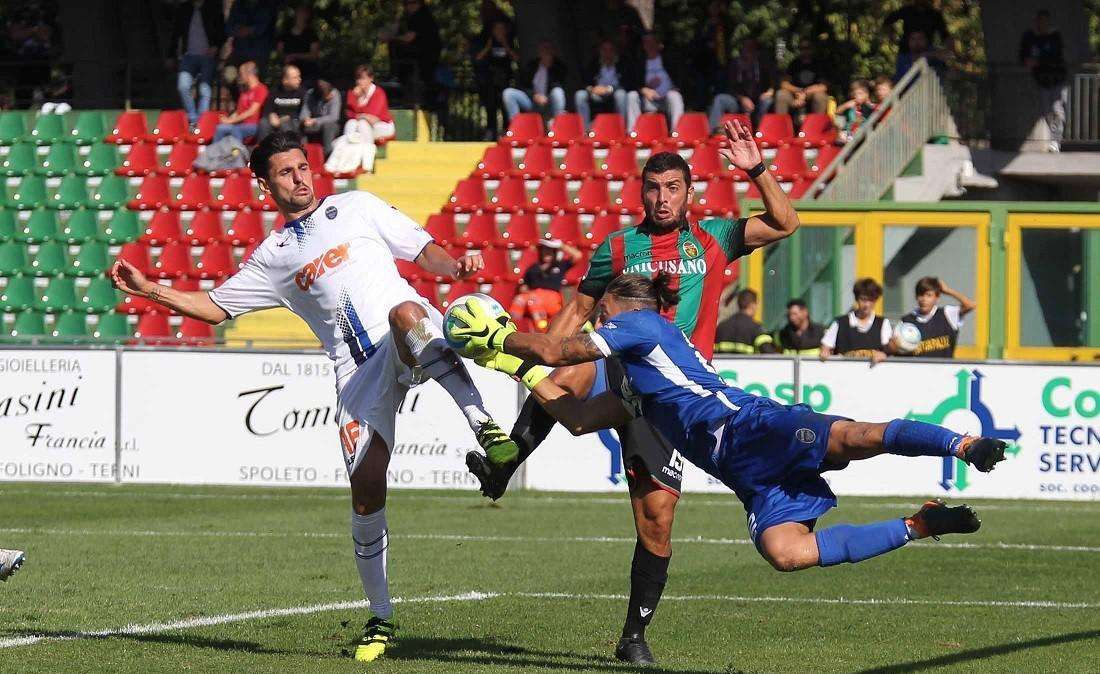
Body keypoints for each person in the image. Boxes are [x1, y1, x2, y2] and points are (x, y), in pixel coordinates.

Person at [109, 131, 520, 663]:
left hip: (410, 335)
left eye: (303, 167)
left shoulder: (356, 206)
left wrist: (453, 267)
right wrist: (150, 291)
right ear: (265, 184)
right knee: (366, 494)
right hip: (355, 375)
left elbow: (422, 249)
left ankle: (484, 425)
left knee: (405, 312)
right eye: (286, 172)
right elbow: (214, 307)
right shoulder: (273, 257)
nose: (300, 178)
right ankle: (381, 616)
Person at [465, 119, 801, 665]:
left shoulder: (714, 239)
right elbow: (577, 309)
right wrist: (540, 351)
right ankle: (506, 461)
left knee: (656, 520)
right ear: (640, 191)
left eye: (673, 188)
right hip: (616, 368)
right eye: (653, 187)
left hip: (672, 395)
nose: (662, 198)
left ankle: (633, 636)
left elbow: (786, 223)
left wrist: (757, 170)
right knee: (568, 372)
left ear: (689, 193)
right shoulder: (618, 246)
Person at [451, 273, 1003, 587]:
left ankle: (963, 444)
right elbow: (574, 419)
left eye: (604, 313)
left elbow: (556, 347)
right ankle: (920, 524)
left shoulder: (642, 324)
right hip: (745, 472)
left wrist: (498, 338)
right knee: (786, 553)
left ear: (626, 309)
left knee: (857, 439)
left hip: (752, 427)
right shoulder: (636, 386)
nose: (598, 321)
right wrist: (513, 368)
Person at [169, 0, 225, 126]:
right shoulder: (184, 8)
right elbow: (175, 33)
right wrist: (171, 54)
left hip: (207, 56)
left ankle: (203, 122)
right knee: (183, 86)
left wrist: (216, 46)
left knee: (205, 90)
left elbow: (222, 31)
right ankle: (193, 119)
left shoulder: (213, 7)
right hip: (188, 56)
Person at [509, 239, 584, 332]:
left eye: (550, 250)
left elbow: (578, 255)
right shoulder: (533, 268)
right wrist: (528, 292)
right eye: (545, 250)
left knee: (533, 302)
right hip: (532, 296)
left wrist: (560, 245)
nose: (547, 253)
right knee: (519, 300)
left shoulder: (560, 265)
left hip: (552, 299)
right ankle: (512, 329)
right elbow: (523, 286)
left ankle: (543, 331)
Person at [1019, 9, 1068, 153]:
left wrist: (1038, 61)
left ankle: (1055, 141)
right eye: (1040, 21)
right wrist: (1028, 61)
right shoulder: (1030, 38)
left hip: (1058, 79)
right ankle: (1053, 137)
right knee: (1046, 111)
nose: (1042, 24)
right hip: (1042, 80)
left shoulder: (1055, 36)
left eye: (1045, 21)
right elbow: (1023, 56)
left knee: (1057, 110)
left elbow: (1056, 55)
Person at [332, 65, 395, 173]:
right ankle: (346, 163)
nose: (359, 82)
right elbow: (349, 114)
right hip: (363, 126)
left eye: (363, 78)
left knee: (362, 124)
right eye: (358, 78)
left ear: (371, 79)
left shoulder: (378, 92)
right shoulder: (353, 93)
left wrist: (359, 112)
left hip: (383, 127)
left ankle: (367, 166)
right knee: (351, 124)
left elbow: (373, 117)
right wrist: (357, 101)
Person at [899, 276, 976, 358]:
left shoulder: (947, 314)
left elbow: (970, 305)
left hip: (945, 369)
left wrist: (948, 291)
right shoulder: (906, 321)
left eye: (929, 295)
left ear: (937, 297)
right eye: (921, 295)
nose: (924, 299)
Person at [708, 37, 776, 129]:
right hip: (737, 101)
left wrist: (770, 91)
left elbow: (774, 82)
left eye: (751, 48)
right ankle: (712, 131)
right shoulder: (735, 65)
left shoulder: (763, 64)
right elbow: (730, 87)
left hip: (758, 101)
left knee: (768, 101)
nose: (748, 51)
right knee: (720, 99)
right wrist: (742, 98)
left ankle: (761, 131)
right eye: (746, 48)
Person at [820, 278, 892, 363]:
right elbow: (826, 347)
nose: (867, 305)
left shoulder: (883, 323)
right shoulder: (840, 323)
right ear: (857, 299)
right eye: (863, 299)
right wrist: (825, 352)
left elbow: (888, 349)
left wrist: (883, 354)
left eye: (870, 300)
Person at [626, 32, 686, 131]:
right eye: (646, 43)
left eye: (652, 42)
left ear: (659, 45)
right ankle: (633, 132)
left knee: (675, 96)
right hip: (647, 100)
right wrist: (643, 89)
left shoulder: (669, 60)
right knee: (631, 95)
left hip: (667, 99)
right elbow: (632, 83)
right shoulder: (639, 63)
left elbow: (681, 79)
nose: (650, 46)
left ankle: (677, 132)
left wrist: (675, 88)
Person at [389, 0, 442, 108]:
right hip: (427, 57)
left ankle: (397, 74)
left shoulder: (420, 16)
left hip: (423, 56)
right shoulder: (422, 16)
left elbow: (409, 37)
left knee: (395, 45)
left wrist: (393, 38)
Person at [473, 18, 518, 140]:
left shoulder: (509, 42)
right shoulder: (488, 42)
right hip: (491, 78)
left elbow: (515, 57)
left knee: (504, 105)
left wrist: (505, 44)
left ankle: (506, 130)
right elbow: (478, 58)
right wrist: (488, 47)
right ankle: (490, 130)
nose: (499, 31)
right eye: (497, 29)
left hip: (505, 78)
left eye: (502, 29)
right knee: (490, 105)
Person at [502, 40, 568, 123]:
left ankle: (558, 124)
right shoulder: (532, 66)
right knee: (508, 93)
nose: (545, 52)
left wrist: (549, 67)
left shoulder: (559, 67)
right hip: (532, 101)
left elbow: (559, 84)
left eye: (548, 49)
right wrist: (534, 95)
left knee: (558, 92)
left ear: (553, 52)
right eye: (543, 50)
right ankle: (517, 126)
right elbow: (523, 85)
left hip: (549, 102)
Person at [575, 39, 631, 130]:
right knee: (580, 95)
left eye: (610, 50)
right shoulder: (594, 63)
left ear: (615, 51)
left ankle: (621, 129)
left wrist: (609, 89)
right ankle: (585, 130)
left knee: (621, 95)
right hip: (596, 93)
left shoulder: (622, 63)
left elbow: (627, 84)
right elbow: (584, 82)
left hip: (614, 92)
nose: (607, 53)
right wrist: (592, 89)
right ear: (600, 51)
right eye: (604, 50)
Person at [213, 61, 268, 144]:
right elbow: (239, 111)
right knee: (220, 128)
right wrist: (228, 119)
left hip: (253, 126)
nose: (239, 77)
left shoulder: (261, 89)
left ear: (249, 74)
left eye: (241, 74)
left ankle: (237, 155)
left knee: (236, 129)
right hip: (240, 125)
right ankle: (214, 154)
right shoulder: (244, 91)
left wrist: (231, 121)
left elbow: (251, 111)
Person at [775, 39, 831, 116]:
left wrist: (805, 92)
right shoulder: (794, 64)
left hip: (812, 93)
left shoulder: (818, 64)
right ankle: (781, 125)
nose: (805, 51)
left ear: (812, 49)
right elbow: (784, 84)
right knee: (781, 94)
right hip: (795, 92)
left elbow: (823, 86)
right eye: (802, 48)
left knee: (820, 97)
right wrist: (799, 91)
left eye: (807, 48)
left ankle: (818, 126)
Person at [714, 288, 776, 354]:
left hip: (722, 364)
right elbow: (769, 354)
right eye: (757, 304)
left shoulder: (721, 327)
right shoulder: (756, 328)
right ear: (752, 305)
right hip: (748, 364)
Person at [257, 64, 306, 142]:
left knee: (286, 124)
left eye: (299, 76)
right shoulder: (275, 92)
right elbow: (267, 109)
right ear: (285, 80)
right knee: (263, 123)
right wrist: (271, 115)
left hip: (294, 122)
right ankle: (264, 149)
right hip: (277, 121)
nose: (299, 79)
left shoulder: (302, 93)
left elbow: (304, 113)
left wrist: (285, 118)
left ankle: (290, 150)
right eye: (295, 78)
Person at [276, 3, 321, 85]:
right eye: (300, 11)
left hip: (307, 73)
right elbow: (279, 52)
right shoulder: (285, 34)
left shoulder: (311, 34)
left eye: (304, 12)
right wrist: (285, 58)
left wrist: (296, 56)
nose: (302, 14)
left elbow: (314, 55)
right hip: (288, 73)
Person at [225, 0, 275, 70]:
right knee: (228, 74)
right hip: (239, 50)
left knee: (252, 77)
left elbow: (262, 28)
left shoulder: (268, 5)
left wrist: (248, 30)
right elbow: (228, 28)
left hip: (259, 54)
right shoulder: (238, 4)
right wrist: (239, 30)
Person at [883, 0, 949, 52]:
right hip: (906, 53)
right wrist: (892, 36)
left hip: (927, 55)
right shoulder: (907, 10)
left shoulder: (935, 15)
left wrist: (951, 54)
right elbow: (887, 21)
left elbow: (945, 36)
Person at [300, 79, 342, 157]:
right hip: (313, 125)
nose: (330, 96)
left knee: (329, 126)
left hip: (329, 124)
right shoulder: (310, 94)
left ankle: (328, 154)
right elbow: (305, 110)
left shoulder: (335, 94)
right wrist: (305, 119)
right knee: (301, 126)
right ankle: (303, 153)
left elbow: (334, 117)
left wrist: (315, 120)